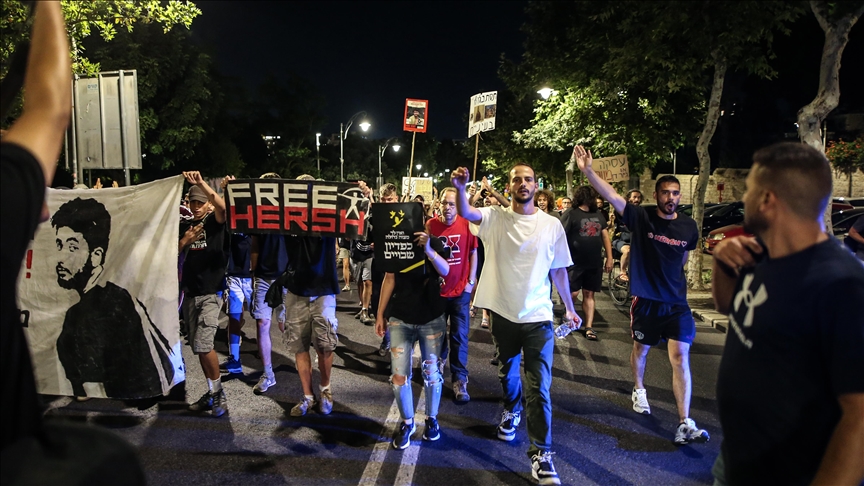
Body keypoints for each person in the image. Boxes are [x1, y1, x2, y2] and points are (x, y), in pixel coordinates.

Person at [711, 142, 864, 485]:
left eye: (749, 189)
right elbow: (729, 307)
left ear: (767, 200)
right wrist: (722, 261)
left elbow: (860, 415)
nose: (744, 199)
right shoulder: (760, 254)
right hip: (737, 461)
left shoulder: (842, 285)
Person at [452, 163, 580, 486]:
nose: (522, 184)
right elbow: (467, 212)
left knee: (540, 387)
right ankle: (511, 408)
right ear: (508, 187)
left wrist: (569, 307)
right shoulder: (495, 218)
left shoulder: (551, 225)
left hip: (538, 318)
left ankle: (541, 455)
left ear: (536, 185)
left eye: (528, 179)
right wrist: (460, 186)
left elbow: (559, 271)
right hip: (503, 316)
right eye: (516, 180)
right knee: (508, 373)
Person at [573, 145, 709, 445]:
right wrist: (589, 172)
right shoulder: (642, 217)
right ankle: (638, 387)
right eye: (665, 193)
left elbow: (684, 257)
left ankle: (685, 422)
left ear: (680, 197)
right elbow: (613, 197)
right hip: (647, 302)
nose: (670, 197)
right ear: (657, 195)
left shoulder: (689, 226)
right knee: (641, 350)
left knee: (680, 356)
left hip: (676, 303)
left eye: (675, 193)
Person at [52, 197, 176, 398]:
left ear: (96, 256)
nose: (61, 257)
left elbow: (153, 370)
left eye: (72, 247)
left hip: (123, 410)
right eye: (59, 245)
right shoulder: (76, 313)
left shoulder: (115, 303)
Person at [375, 227, 450, 449]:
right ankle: (407, 422)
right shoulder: (397, 243)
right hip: (401, 318)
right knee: (398, 376)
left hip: (431, 318)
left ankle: (431, 419)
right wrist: (380, 314)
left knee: (432, 372)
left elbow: (445, 270)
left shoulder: (435, 242)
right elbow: (389, 278)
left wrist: (428, 249)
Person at [283, 174, 342, 416]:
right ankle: (307, 396)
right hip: (296, 289)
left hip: (323, 289)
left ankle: (325, 391)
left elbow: (353, 218)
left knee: (325, 345)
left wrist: (361, 194)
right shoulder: (286, 216)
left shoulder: (329, 215)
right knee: (299, 347)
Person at [179, 173, 230, 417]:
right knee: (199, 348)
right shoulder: (184, 226)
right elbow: (168, 253)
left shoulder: (215, 222)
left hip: (211, 293)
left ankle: (219, 394)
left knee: (203, 344)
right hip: (190, 294)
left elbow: (223, 208)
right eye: (193, 203)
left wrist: (201, 184)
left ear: (208, 203)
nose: (197, 207)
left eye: (201, 202)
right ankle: (213, 392)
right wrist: (184, 241)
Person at [427, 187, 478, 402]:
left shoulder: (467, 224)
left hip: (460, 293)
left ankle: (459, 380)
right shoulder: (431, 225)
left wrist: (471, 282)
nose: (447, 207)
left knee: (459, 336)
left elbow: (474, 253)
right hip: (438, 292)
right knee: (438, 338)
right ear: (438, 203)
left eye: (452, 204)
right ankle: (438, 367)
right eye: (444, 203)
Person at [562, 186, 613, 341]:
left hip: (594, 262)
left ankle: (589, 327)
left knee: (589, 294)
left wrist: (609, 257)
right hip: (575, 261)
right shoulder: (571, 213)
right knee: (573, 292)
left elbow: (605, 237)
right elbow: (561, 235)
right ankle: (569, 316)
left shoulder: (598, 215)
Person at [610, 189, 644, 281]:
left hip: (635, 241)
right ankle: (622, 272)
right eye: (634, 197)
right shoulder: (622, 210)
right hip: (620, 240)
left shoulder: (641, 211)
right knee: (628, 251)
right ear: (629, 199)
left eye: (639, 197)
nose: (637, 199)